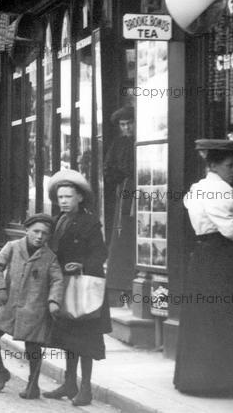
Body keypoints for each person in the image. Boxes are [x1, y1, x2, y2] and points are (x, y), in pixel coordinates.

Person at [173, 139, 233, 396]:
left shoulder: (198, 188)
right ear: (213, 164)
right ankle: (222, 380)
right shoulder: (220, 189)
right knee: (227, 316)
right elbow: (228, 227)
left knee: (206, 317)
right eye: (230, 165)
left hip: (205, 256)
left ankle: (202, 378)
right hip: (223, 256)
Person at [43, 169, 112, 406]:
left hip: (85, 287)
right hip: (64, 286)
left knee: (85, 340)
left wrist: (82, 265)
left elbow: (101, 253)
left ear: (80, 198)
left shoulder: (90, 222)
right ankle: (69, 382)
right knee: (67, 338)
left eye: (68, 197)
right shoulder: (57, 221)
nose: (63, 201)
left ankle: (86, 389)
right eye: (60, 197)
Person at [0, 213, 63, 399]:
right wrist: (0, 287)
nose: (39, 236)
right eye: (35, 231)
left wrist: (53, 301)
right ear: (26, 230)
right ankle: (0, 371)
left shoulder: (49, 257)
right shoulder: (12, 247)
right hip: (9, 303)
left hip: (34, 308)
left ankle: (32, 385)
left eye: (44, 233)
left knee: (33, 347)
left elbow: (57, 280)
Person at [105, 105, 136, 303]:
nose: (126, 129)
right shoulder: (119, 144)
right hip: (127, 193)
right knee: (123, 233)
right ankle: (121, 287)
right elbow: (108, 170)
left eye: (129, 124)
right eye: (122, 125)